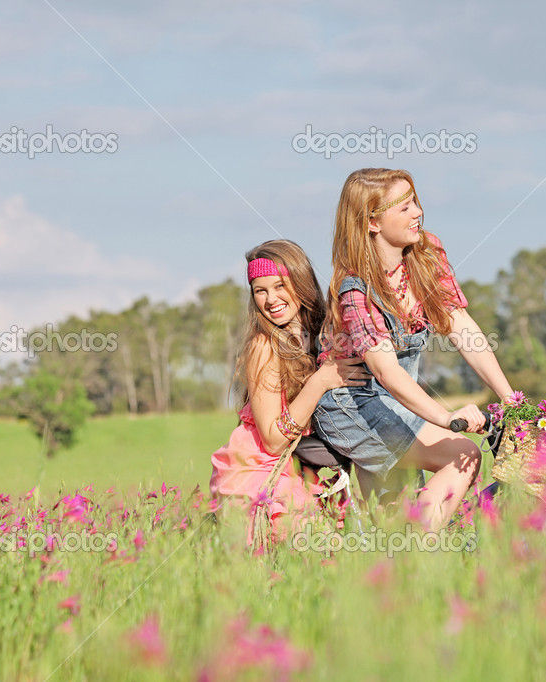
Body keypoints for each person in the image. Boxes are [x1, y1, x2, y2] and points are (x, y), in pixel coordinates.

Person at [313, 168, 517, 531]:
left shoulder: (426, 253)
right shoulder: (355, 288)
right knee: (463, 454)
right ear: (372, 222)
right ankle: (420, 552)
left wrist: (511, 398)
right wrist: (446, 417)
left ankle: (403, 568)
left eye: (415, 202)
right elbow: (386, 372)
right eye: (403, 207)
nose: (417, 213)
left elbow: (461, 327)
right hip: (352, 406)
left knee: (394, 517)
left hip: (400, 399)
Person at [210, 240, 369, 543]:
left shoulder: (320, 335)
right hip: (260, 473)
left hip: (303, 470)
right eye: (260, 290)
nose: (271, 299)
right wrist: (320, 381)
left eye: (280, 286)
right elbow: (271, 440)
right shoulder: (264, 347)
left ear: (301, 282)